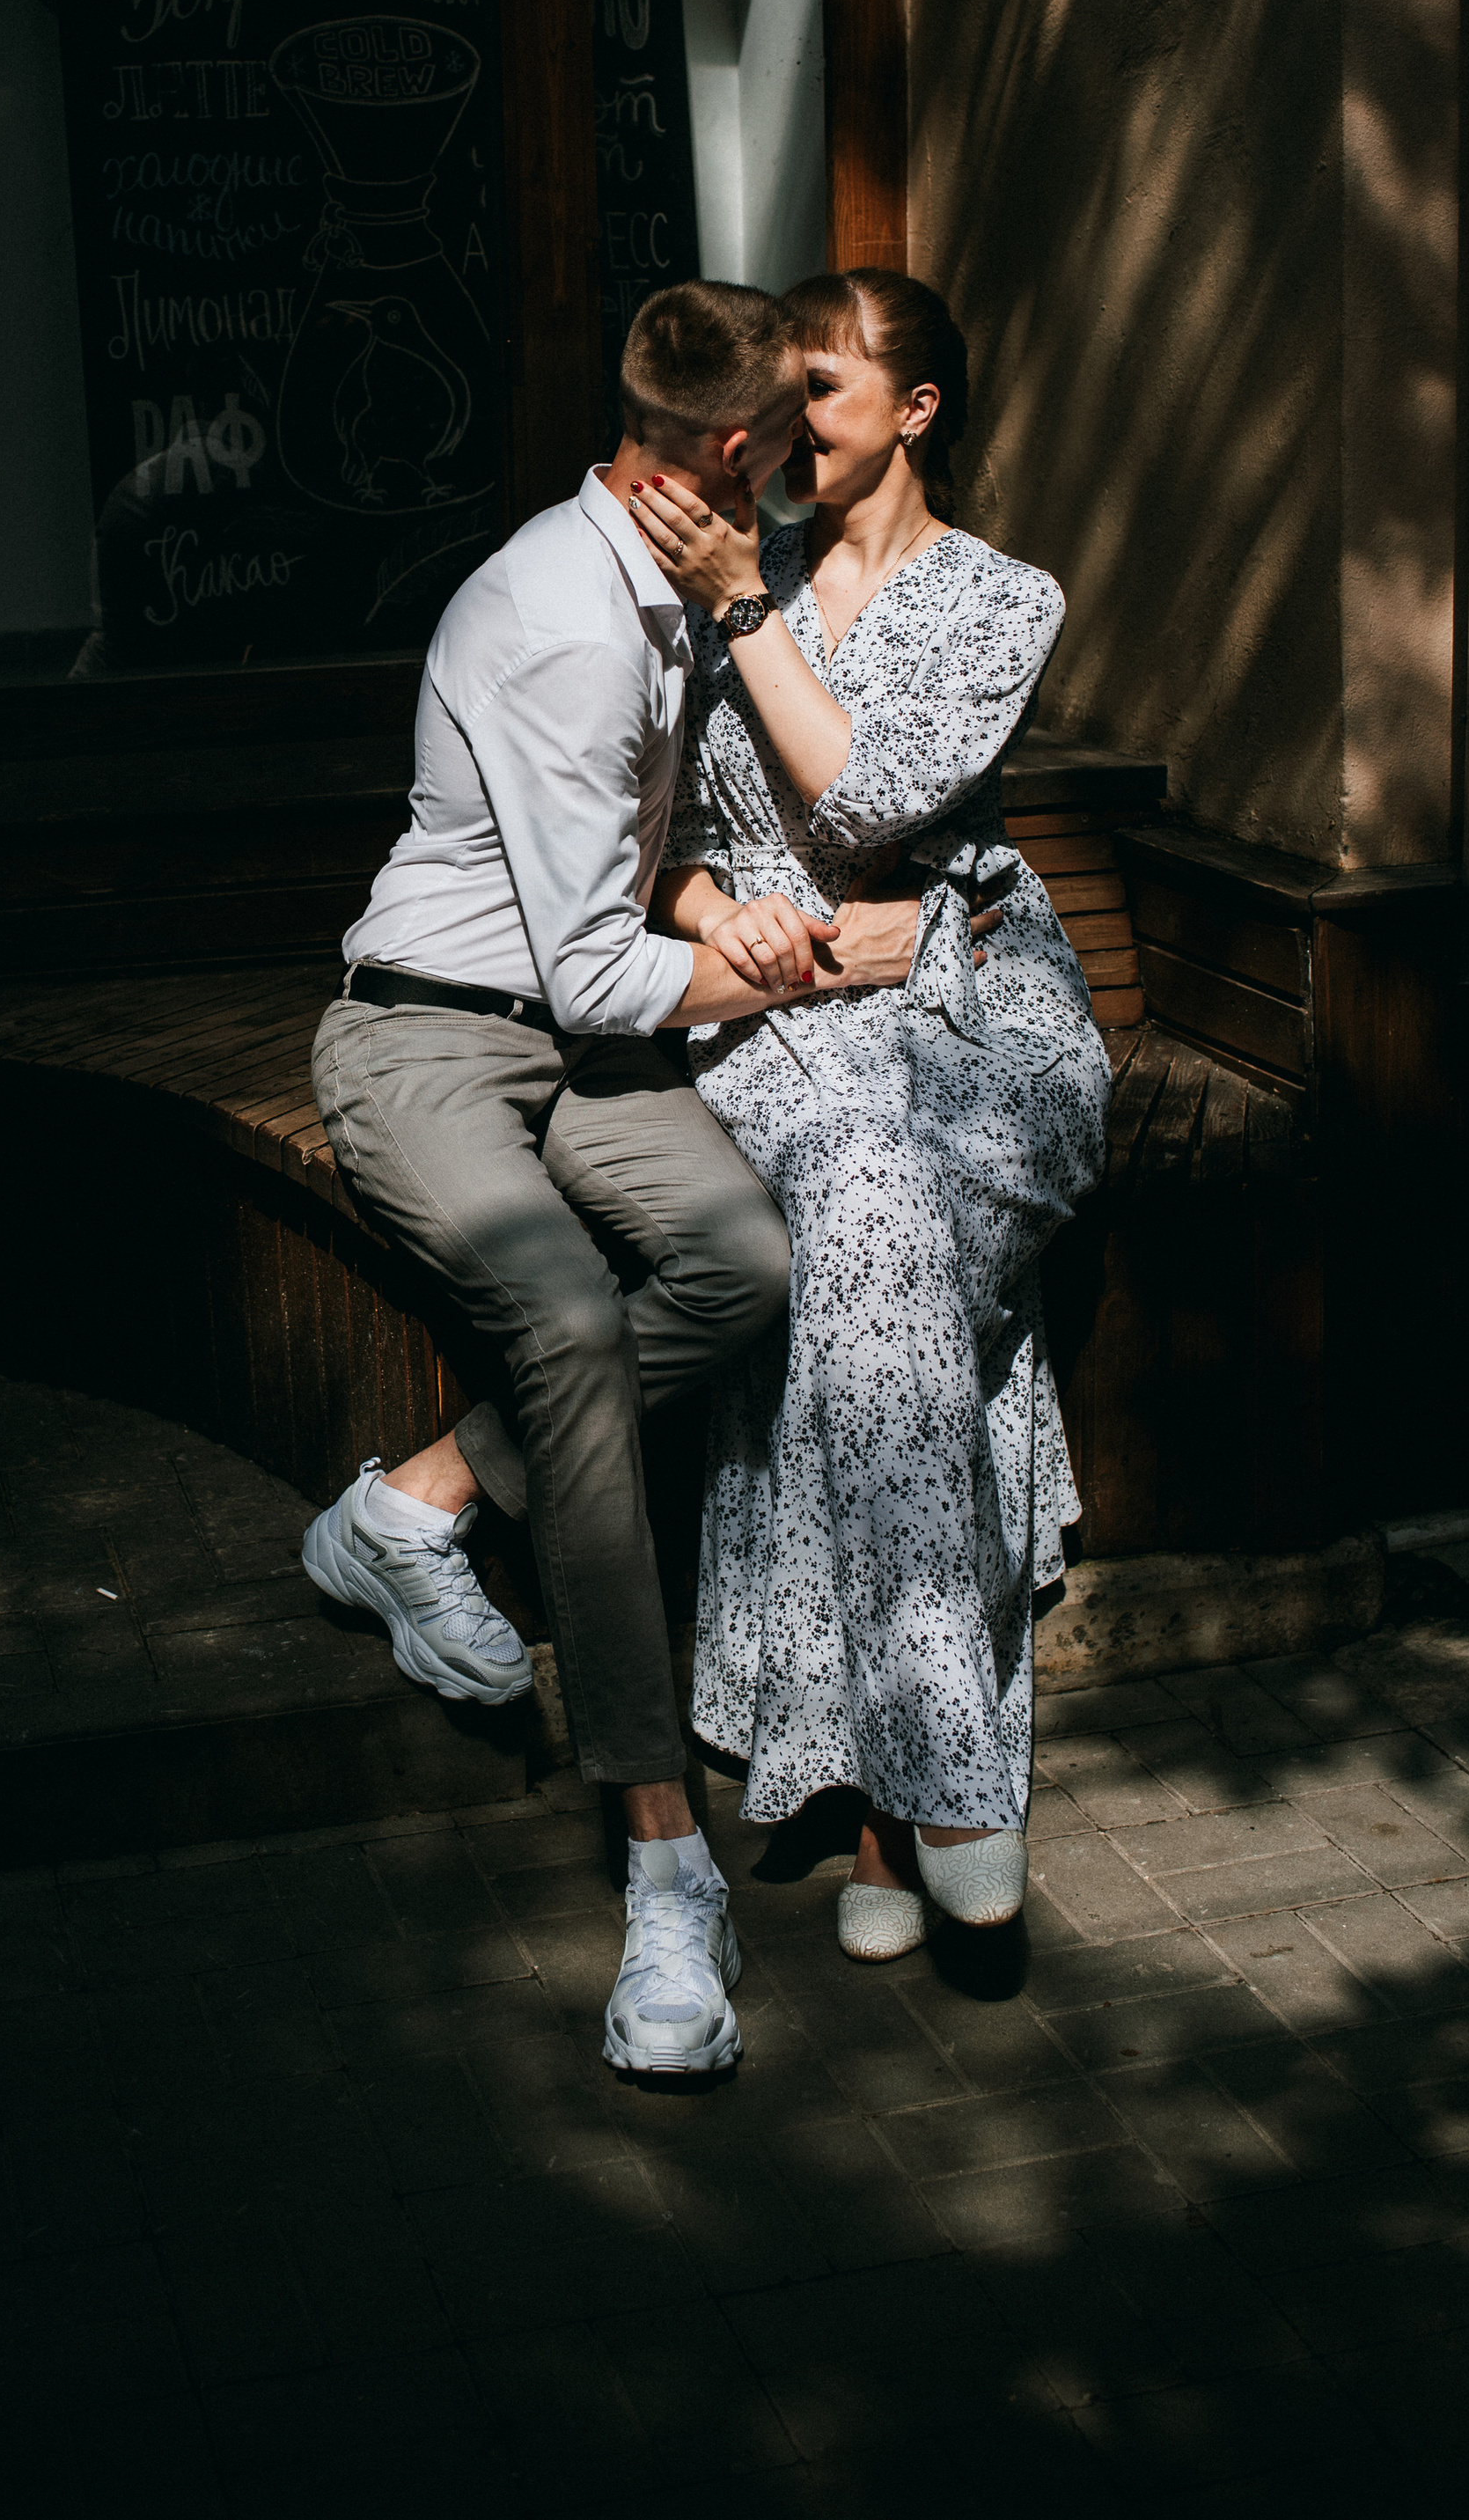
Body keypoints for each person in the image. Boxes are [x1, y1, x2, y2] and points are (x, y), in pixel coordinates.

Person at [298, 280, 971, 2077]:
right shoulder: (566, 622)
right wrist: (828, 953)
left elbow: (637, 880)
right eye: (794, 426)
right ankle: (659, 1856)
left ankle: (416, 1499)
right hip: (428, 1035)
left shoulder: (671, 583)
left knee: (739, 1261)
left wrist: (715, 905)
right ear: (737, 452)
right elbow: (585, 962)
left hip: (586, 1044)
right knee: (574, 1326)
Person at [628, 268, 1109, 1954]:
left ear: (913, 412)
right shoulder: (704, 578)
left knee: (878, 1252)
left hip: (976, 995)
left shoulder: (1003, 597)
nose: (770, 429)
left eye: (816, 391)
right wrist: (719, 918)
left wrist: (748, 617)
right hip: (784, 1007)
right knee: (881, 1232)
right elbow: (649, 836)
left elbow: (881, 795)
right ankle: (947, 1788)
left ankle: (880, 1807)